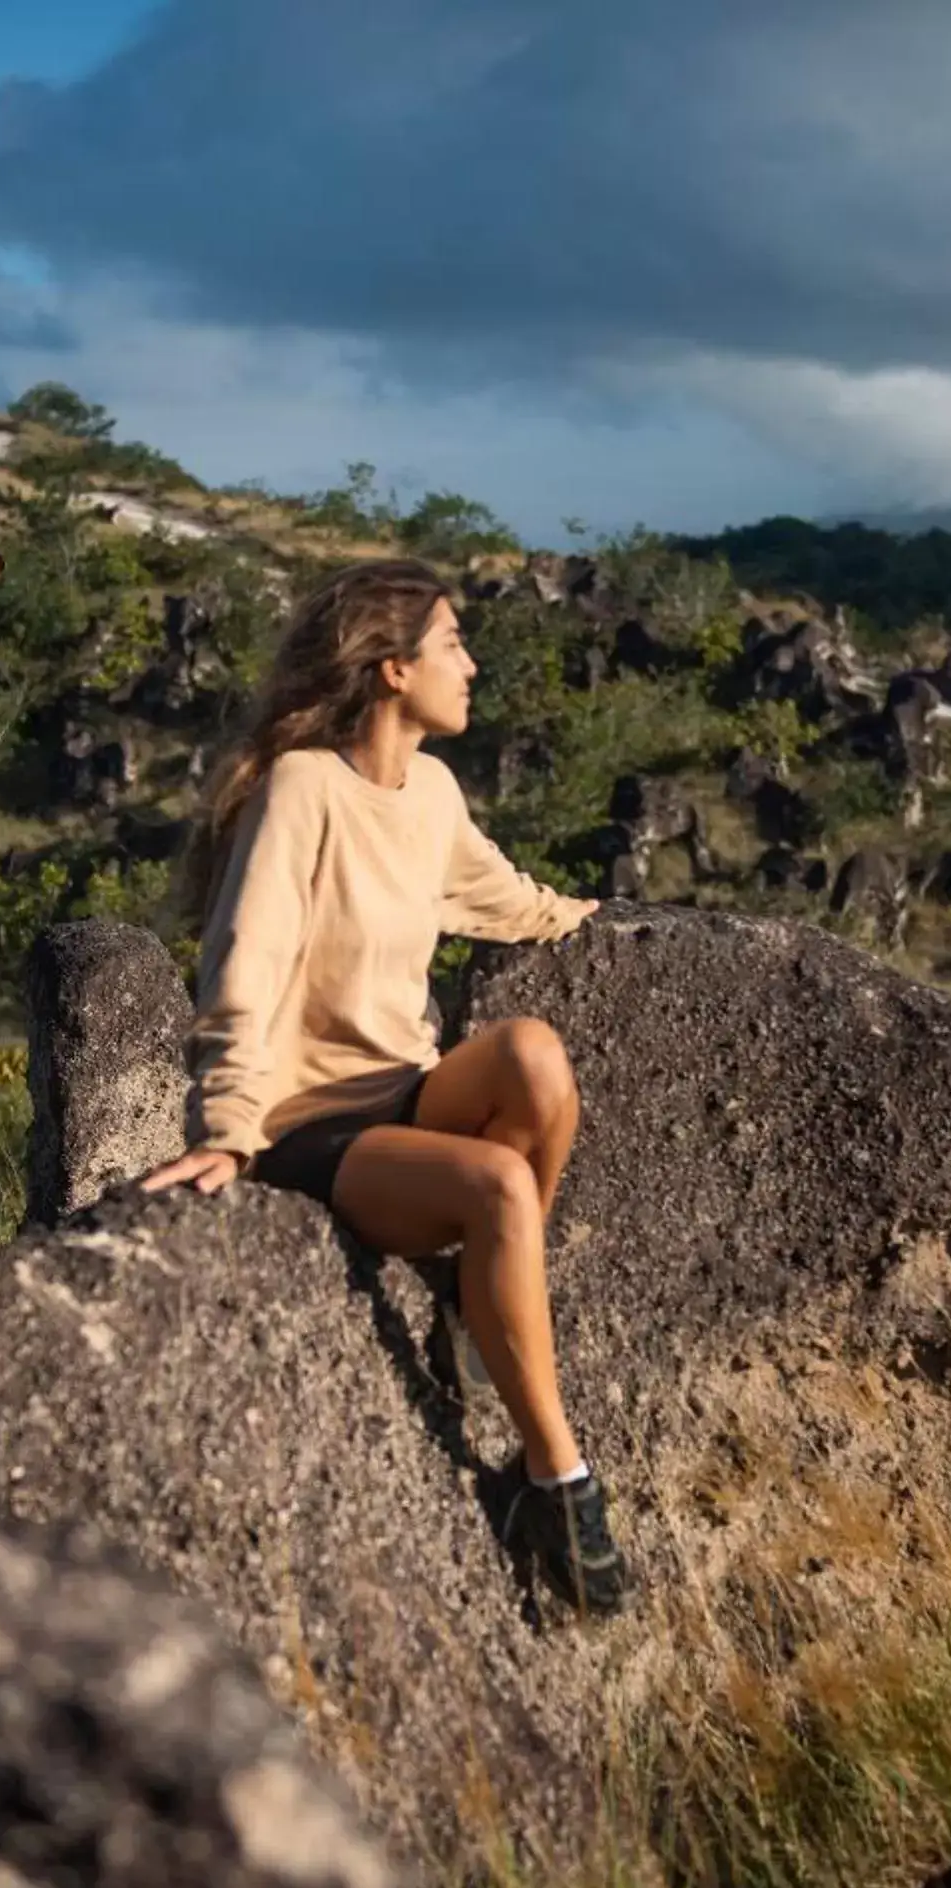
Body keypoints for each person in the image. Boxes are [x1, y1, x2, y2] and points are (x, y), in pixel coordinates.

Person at [140, 558, 633, 1616]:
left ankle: (467, 1295)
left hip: (404, 1090)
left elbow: (500, 898)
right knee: (499, 1186)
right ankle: (554, 1482)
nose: (472, 664)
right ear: (394, 667)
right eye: (453, 645)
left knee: (533, 1055)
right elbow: (245, 957)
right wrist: (226, 1129)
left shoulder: (433, 792)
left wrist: (594, 919)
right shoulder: (301, 790)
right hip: (306, 1125)